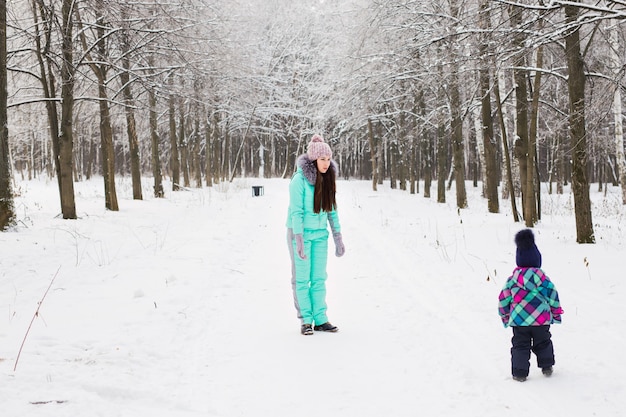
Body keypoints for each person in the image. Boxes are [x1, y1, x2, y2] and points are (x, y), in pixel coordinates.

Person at [286, 134, 345, 336]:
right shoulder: (299, 180)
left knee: (319, 278)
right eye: (322, 159)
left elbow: (332, 210)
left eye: (329, 159)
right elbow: (296, 212)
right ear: (313, 160)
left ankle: (320, 319)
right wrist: (299, 239)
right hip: (299, 234)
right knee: (302, 279)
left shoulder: (327, 179)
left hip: (320, 235)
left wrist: (338, 237)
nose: (326, 164)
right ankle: (306, 320)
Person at [498, 229, 564, 381]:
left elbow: (503, 300)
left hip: (519, 321)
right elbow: (553, 297)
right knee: (543, 342)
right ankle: (546, 365)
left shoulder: (512, 281)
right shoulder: (544, 281)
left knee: (520, 345)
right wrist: (556, 313)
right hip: (541, 320)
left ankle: (519, 373)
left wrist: (505, 315)